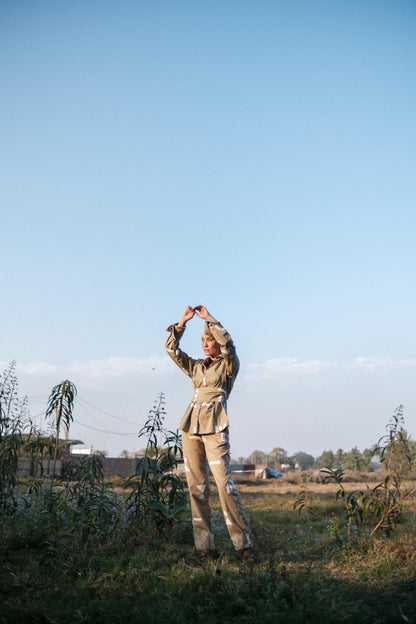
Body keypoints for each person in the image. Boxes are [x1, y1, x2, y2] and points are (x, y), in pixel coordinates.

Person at [165, 305, 252, 555]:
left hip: (216, 426)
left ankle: (244, 546)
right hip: (190, 427)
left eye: (209, 340)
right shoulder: (195, 366)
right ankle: (203, 548)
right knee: (197, 487)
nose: (205, 344)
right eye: (203, 340)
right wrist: (181, 324)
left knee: (224, 484)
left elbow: (230, 346)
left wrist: (210, 320)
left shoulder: (228, 366)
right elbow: (171, 349)